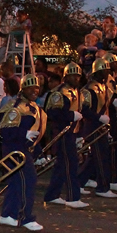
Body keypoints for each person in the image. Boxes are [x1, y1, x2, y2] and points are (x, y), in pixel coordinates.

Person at [0, 73, 45, 231]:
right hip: (14, 150)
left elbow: (34, 133)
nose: (34, 90)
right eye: (30, 87)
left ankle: (8, 215)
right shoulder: (16, 106)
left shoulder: (32, 106)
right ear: (23, 89)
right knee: (27, 181)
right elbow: (4, 131)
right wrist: (23, 133)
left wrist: (39, 153)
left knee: (16, 184)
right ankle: (25, 217)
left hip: (23, 149)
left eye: (36, 87)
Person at [42, 63, 88, 208]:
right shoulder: (59, 92)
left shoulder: (79, 92)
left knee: (62, 165)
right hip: (62, 132)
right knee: (70, 164)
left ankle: (52, 194)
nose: (76, 78)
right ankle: (73, 197)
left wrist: (80, 134)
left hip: (73, 132)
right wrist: (69, 115)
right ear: (66, 76)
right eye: (73, 75)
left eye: (78, 76)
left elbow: (81, 115)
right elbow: (51, 113)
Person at [78, 58, 117, 198]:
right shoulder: (88, 90)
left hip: (102, 125)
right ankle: (103, 187)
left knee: (94, 158)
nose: (106, 74)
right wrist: (98, 118)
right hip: (92, 126)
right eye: (104, 71)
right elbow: (84, 109)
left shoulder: (104, 87)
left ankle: (79, 182)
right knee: (101, 157)